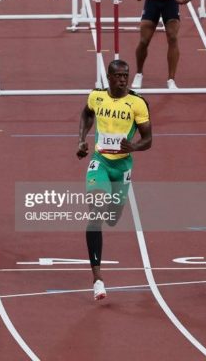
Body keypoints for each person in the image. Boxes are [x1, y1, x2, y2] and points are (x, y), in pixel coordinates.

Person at [77, 60, 152, 300]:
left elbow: (148, 139)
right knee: (96, 211)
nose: (123, 79)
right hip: (100, 162)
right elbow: (86, 114)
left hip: (122, 167)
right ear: (108, 77)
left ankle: (111, 206)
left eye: (126, 76)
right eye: (118, 76)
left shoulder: (137, 103)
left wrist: (135, 146)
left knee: (111, 218)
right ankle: (97, 278)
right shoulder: (97, 97)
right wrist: (81, 139)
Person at [130, 0, 192, 90]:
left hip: (170, 2)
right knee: (144, 40)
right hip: (152, 2)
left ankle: (171, 79)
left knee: (172, 37)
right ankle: (139, 74)